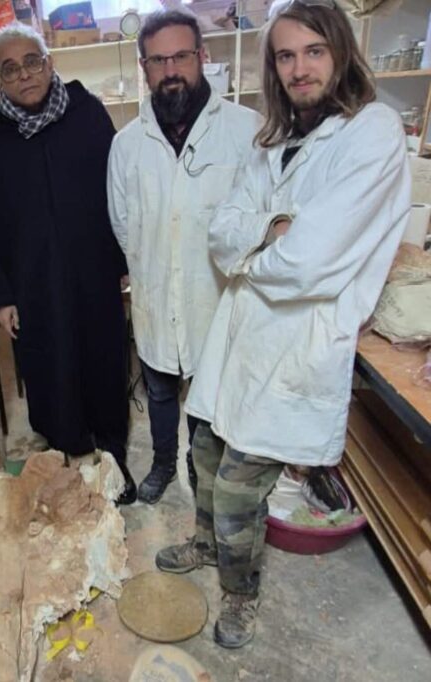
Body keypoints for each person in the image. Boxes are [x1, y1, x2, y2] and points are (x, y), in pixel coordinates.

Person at [156, 0, 411, 649]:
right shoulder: (273, 140)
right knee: (204, 453)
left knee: (240, 489)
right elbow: (223, 233)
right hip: (240, 335)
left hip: (297, 343)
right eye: (286, 55)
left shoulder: (372, 132)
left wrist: (257, 249)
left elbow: (309, 263)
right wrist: (269, 232)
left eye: (314, 52)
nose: (300, 68)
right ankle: (207, 545)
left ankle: (240, 593)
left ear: (341, 53)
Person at [0, 24, 136, 503]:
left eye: (32, 62)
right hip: (32, 278)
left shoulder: (88, 114)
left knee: (103, 359)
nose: (24, 75)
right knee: (49, 363)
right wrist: (1, 296)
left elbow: (118, 192)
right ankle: (67, 455)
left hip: (94, 269)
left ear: (50, 63)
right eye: (10, 69)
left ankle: (112, 456)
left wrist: (124, 260)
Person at [108, 9, 259, 504]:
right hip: (155, 292)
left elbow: (256, 220)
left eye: (181, 56)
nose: (170, 70)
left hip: (215, 296)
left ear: (202, 56)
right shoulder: (127, 145)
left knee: (207, 392)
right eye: (158, 60)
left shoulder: (245, 131)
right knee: (157, 388)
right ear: (144, 67)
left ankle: (199, 466)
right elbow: (122, 222)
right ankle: (162, 463)